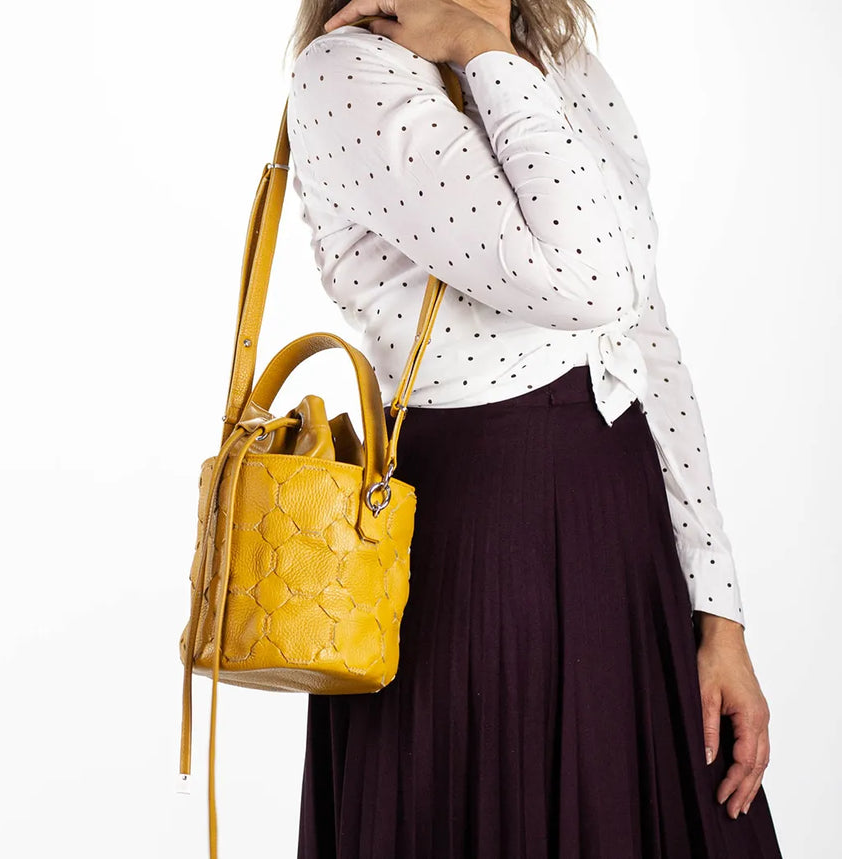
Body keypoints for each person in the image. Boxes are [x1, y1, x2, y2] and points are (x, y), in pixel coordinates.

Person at [284, 0, 784, 856]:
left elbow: (641, 328)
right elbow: (586, 279)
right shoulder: (349, 73)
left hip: (620, 518)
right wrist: (479, 46)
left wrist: (718, 609)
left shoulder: (561, 58)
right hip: (473, 538)